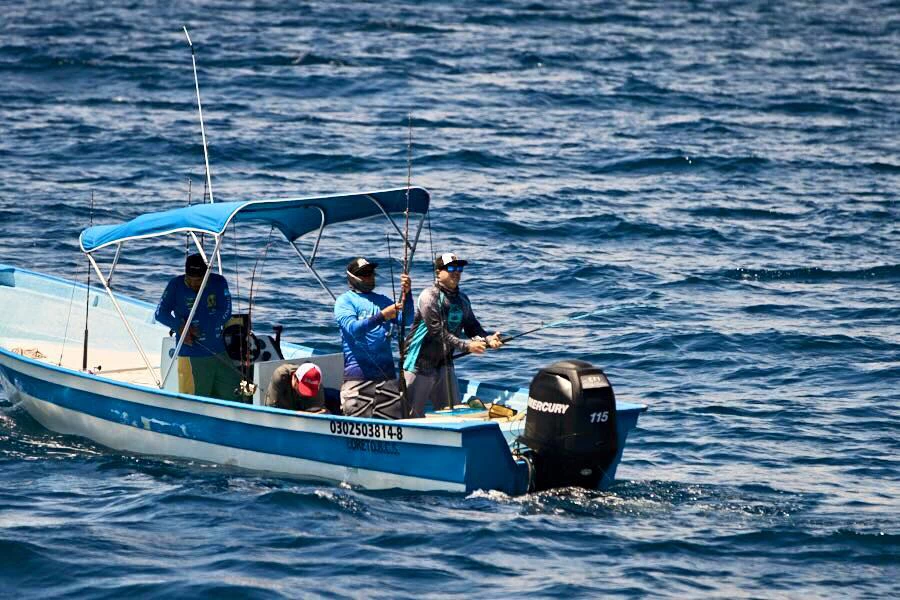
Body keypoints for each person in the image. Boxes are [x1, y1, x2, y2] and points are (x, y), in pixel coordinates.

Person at [402, 252, 502, 418]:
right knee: (411, 417)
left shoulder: (462, 299)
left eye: (460, 268)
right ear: (438, 272)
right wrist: (467, 346)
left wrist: (487, 338)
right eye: (451, 268)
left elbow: (472, 326)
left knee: (453, 415)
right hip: (418, 365)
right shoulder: (429, 297)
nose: (457, 272)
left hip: (444, 364)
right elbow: (437, 332)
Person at [155, 253, 241, 401]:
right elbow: (160, 313)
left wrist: (207, 325)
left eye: (199, 281)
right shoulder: (175, 285)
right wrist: (181, 327)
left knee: (232, 395)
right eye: (190, 280)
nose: (194, 284)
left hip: (219, 351)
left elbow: (226, 311)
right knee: (194, 401)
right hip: (191, 354)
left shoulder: (218, 282)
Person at [334, 257, 413, 417]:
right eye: (364, 274)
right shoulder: (344, 301)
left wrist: (408, 293)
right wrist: (382, 316)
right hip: (358, 378)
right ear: (352, 278)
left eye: (371, 273)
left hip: (387, 377)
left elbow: (407, 320)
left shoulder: (382, 300)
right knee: (357, 431)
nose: (370, 276)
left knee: (390, 428)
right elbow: (353, 329)